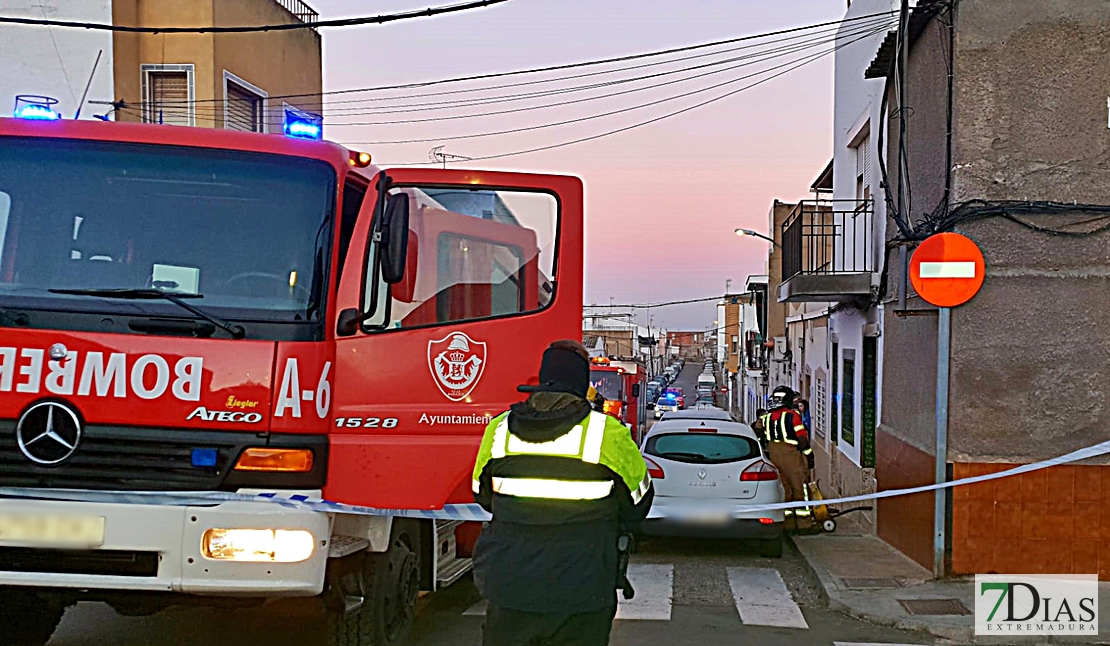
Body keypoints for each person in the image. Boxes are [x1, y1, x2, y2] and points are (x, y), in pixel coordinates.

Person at [472, 339, 655, 646]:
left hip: (509, 585)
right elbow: (639, 504)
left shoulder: (499, 429)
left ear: (543, 379)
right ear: (583, 384)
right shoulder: (608, 433)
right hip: (583, 590)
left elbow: (482, 495)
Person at [758, 387, 814, 520]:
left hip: (773, 456)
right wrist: (809, 456)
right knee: (800, 488)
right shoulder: (792, 416)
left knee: (784, 489)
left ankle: (787, 520)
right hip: (792, 456)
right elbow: (802, 440)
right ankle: (803, 521)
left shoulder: (766, 418)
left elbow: (758, 433)